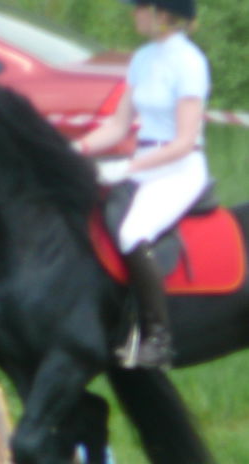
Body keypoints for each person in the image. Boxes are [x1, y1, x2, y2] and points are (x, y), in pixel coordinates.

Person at [72, 0, 210, 369]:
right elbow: (118, 127)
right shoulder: (142, 59)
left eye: (140, 7)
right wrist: (75, 148)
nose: (134, 12)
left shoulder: (190, 63)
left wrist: (127, 166)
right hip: (145, 165)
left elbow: (183, 142)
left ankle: (158, 338)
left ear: (162, 14)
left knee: (133, 232)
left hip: (180, 168)